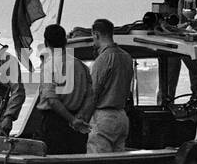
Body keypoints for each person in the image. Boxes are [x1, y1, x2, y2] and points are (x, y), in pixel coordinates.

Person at [27, 24, 92, 154]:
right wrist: (79, 117)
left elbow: (51, 100)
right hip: (77, 124)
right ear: (65, 41)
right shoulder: (81, 66)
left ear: (46, 42)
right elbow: (90, 96)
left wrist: (72, 120)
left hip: (55, 124)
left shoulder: (49, 66)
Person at [78, 18, 135, 154]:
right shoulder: (127, 57)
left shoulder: (103, 59)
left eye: (93, 37)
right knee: (118, 163)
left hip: (104, 118)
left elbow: (93, 94)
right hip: (122, 117)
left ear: (96, 35)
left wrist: (82, 119)